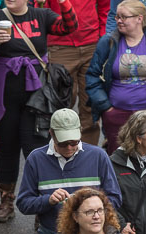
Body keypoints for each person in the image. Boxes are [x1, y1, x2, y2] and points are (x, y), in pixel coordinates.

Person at [0, 0, 78, 222]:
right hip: (3, 96)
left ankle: (44, 205)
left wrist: (63, 2)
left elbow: (69, 27)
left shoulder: (41, 15)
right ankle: (6, 201)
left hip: (36, 98)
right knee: (7, 149)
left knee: (37, 150)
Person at [18, 109, 121, 234]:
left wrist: (91, 204)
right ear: (51, 134)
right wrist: (47, 200)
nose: (69, 148)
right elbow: (23, 203)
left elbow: (115, 199)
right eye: (63, 143)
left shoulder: (98, 156)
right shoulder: (36, 159)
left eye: (74, 142)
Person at [86, 0, 146, 154]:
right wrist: (106, 107)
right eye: (117, 17)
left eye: (124, 17)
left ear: (139, 18)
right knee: (118, 161)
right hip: (116, 115)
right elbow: (92, 75)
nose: (119, 21)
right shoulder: (109, 41)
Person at [46, 0, 108, 145]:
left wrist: (102, 37)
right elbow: (42, 9)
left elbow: (105, 8)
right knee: (62, 103)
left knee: (91, 102)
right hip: (60, 46)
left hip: (91, 45)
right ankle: (62, 147)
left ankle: (88, 151)